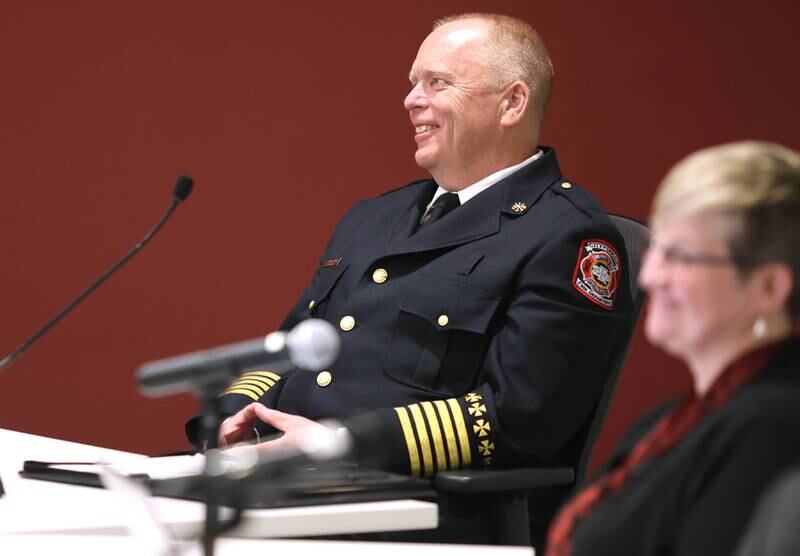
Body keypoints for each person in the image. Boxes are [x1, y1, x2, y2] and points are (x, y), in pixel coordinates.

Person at [187, 13, 633, 543]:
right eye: (412, 84)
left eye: (437, 83)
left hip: (427, 511)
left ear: (511, 103)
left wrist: (338, 443)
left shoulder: (570, 237)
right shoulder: (373, 217)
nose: (411, 100)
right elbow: (293, 346)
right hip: (293, 487)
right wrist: (234, 416)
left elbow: (519, 418)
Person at [546, 141, 800, 556]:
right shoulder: (680, 417)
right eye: (657, 250)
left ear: (769, 287)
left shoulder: (770, 427)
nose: (650, 278)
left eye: (680, 257)